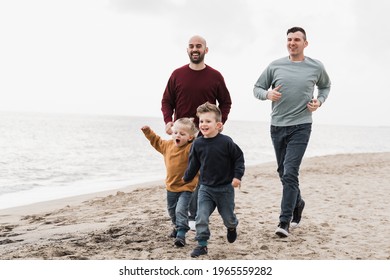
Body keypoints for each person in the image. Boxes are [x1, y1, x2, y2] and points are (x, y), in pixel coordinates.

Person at [253, 27, 331, 238]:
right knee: (283, 173)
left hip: (301, 125)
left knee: (290, 173)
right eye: (289, 39)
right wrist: (267, 94)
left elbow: (325, 87)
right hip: (277, 126)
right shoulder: (275, 65)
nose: (292, 43)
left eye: (297, 39)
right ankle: (299, 202)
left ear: (305, 43)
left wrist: (319, 101)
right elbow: (257, 88)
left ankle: (284, 221)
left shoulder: (316, 66)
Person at [161, 35, 233, 225]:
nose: (195, 49)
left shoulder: (215, 76)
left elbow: (225, 102)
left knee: (202, 177)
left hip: (206, 136)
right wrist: (168, 121)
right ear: (187, 50)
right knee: (181, 176)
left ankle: (193, 216)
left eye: (199, 46)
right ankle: (181, 216)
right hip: (181, 137)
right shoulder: (177, 74)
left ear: (205, 50)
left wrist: (220, 121)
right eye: (191, 46)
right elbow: (167, 101)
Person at [183, 102, 245, 258]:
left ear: (218, 124)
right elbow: (194, 164)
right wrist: (186, 178)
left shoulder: (226, 142)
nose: (203, 124)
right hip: (205, 188)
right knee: (201, 216)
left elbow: (238, 158)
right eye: (201, 121)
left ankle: (232, 227)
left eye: (208, 121)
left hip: (225, 189)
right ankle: (202, 245)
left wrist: (237, 176)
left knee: (228, 218)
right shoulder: (197, 143)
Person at [141, 118, 199, 247]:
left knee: (180, 210)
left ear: (190, 138)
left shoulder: (192, 148)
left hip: (187, 187)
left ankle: (181, 234)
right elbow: (156, 141)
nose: (177, 135)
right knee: (172, 211)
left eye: (182, 134)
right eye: (176, 132)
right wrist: (148, 132)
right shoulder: (167, 145)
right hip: (171, 186)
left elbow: (203, 154)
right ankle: (177, 226)